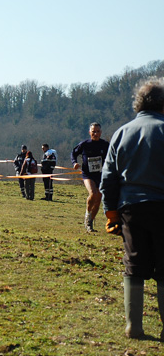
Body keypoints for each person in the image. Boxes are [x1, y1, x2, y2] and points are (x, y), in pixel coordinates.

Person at [100, 80, 164, 339]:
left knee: (134, 264)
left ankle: (133, 326)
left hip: (131, 209)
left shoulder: (121, 133)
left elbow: (108, 178)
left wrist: (111, 213)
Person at [71, 122, 109, 232]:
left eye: (97, 132)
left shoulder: (105, 145)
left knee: (98, 199)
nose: (95, 134)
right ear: (89, 132)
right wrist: (74, 163)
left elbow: (113, 156)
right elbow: (73, 153)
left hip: (101, 174)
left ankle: (90, 222)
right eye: (93, 132)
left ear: (101, 133)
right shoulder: (85, 144)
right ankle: (87, 214)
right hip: (88, 174)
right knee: (93, 194)